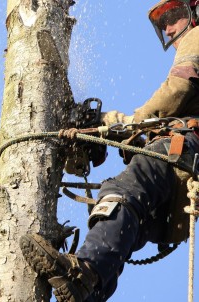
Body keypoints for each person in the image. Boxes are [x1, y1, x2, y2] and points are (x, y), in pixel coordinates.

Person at [19, 1, 199, 301]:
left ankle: (84, 273)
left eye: (174, 16)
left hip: (184, 147)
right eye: (163, 21)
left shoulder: (197, 36)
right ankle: (89, 288)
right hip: (182, 178)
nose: (168, 27)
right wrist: (105, 126)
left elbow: (177, 89)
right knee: (129, 217)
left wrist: (132, 125)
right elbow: (150, 122)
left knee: (120, 192)